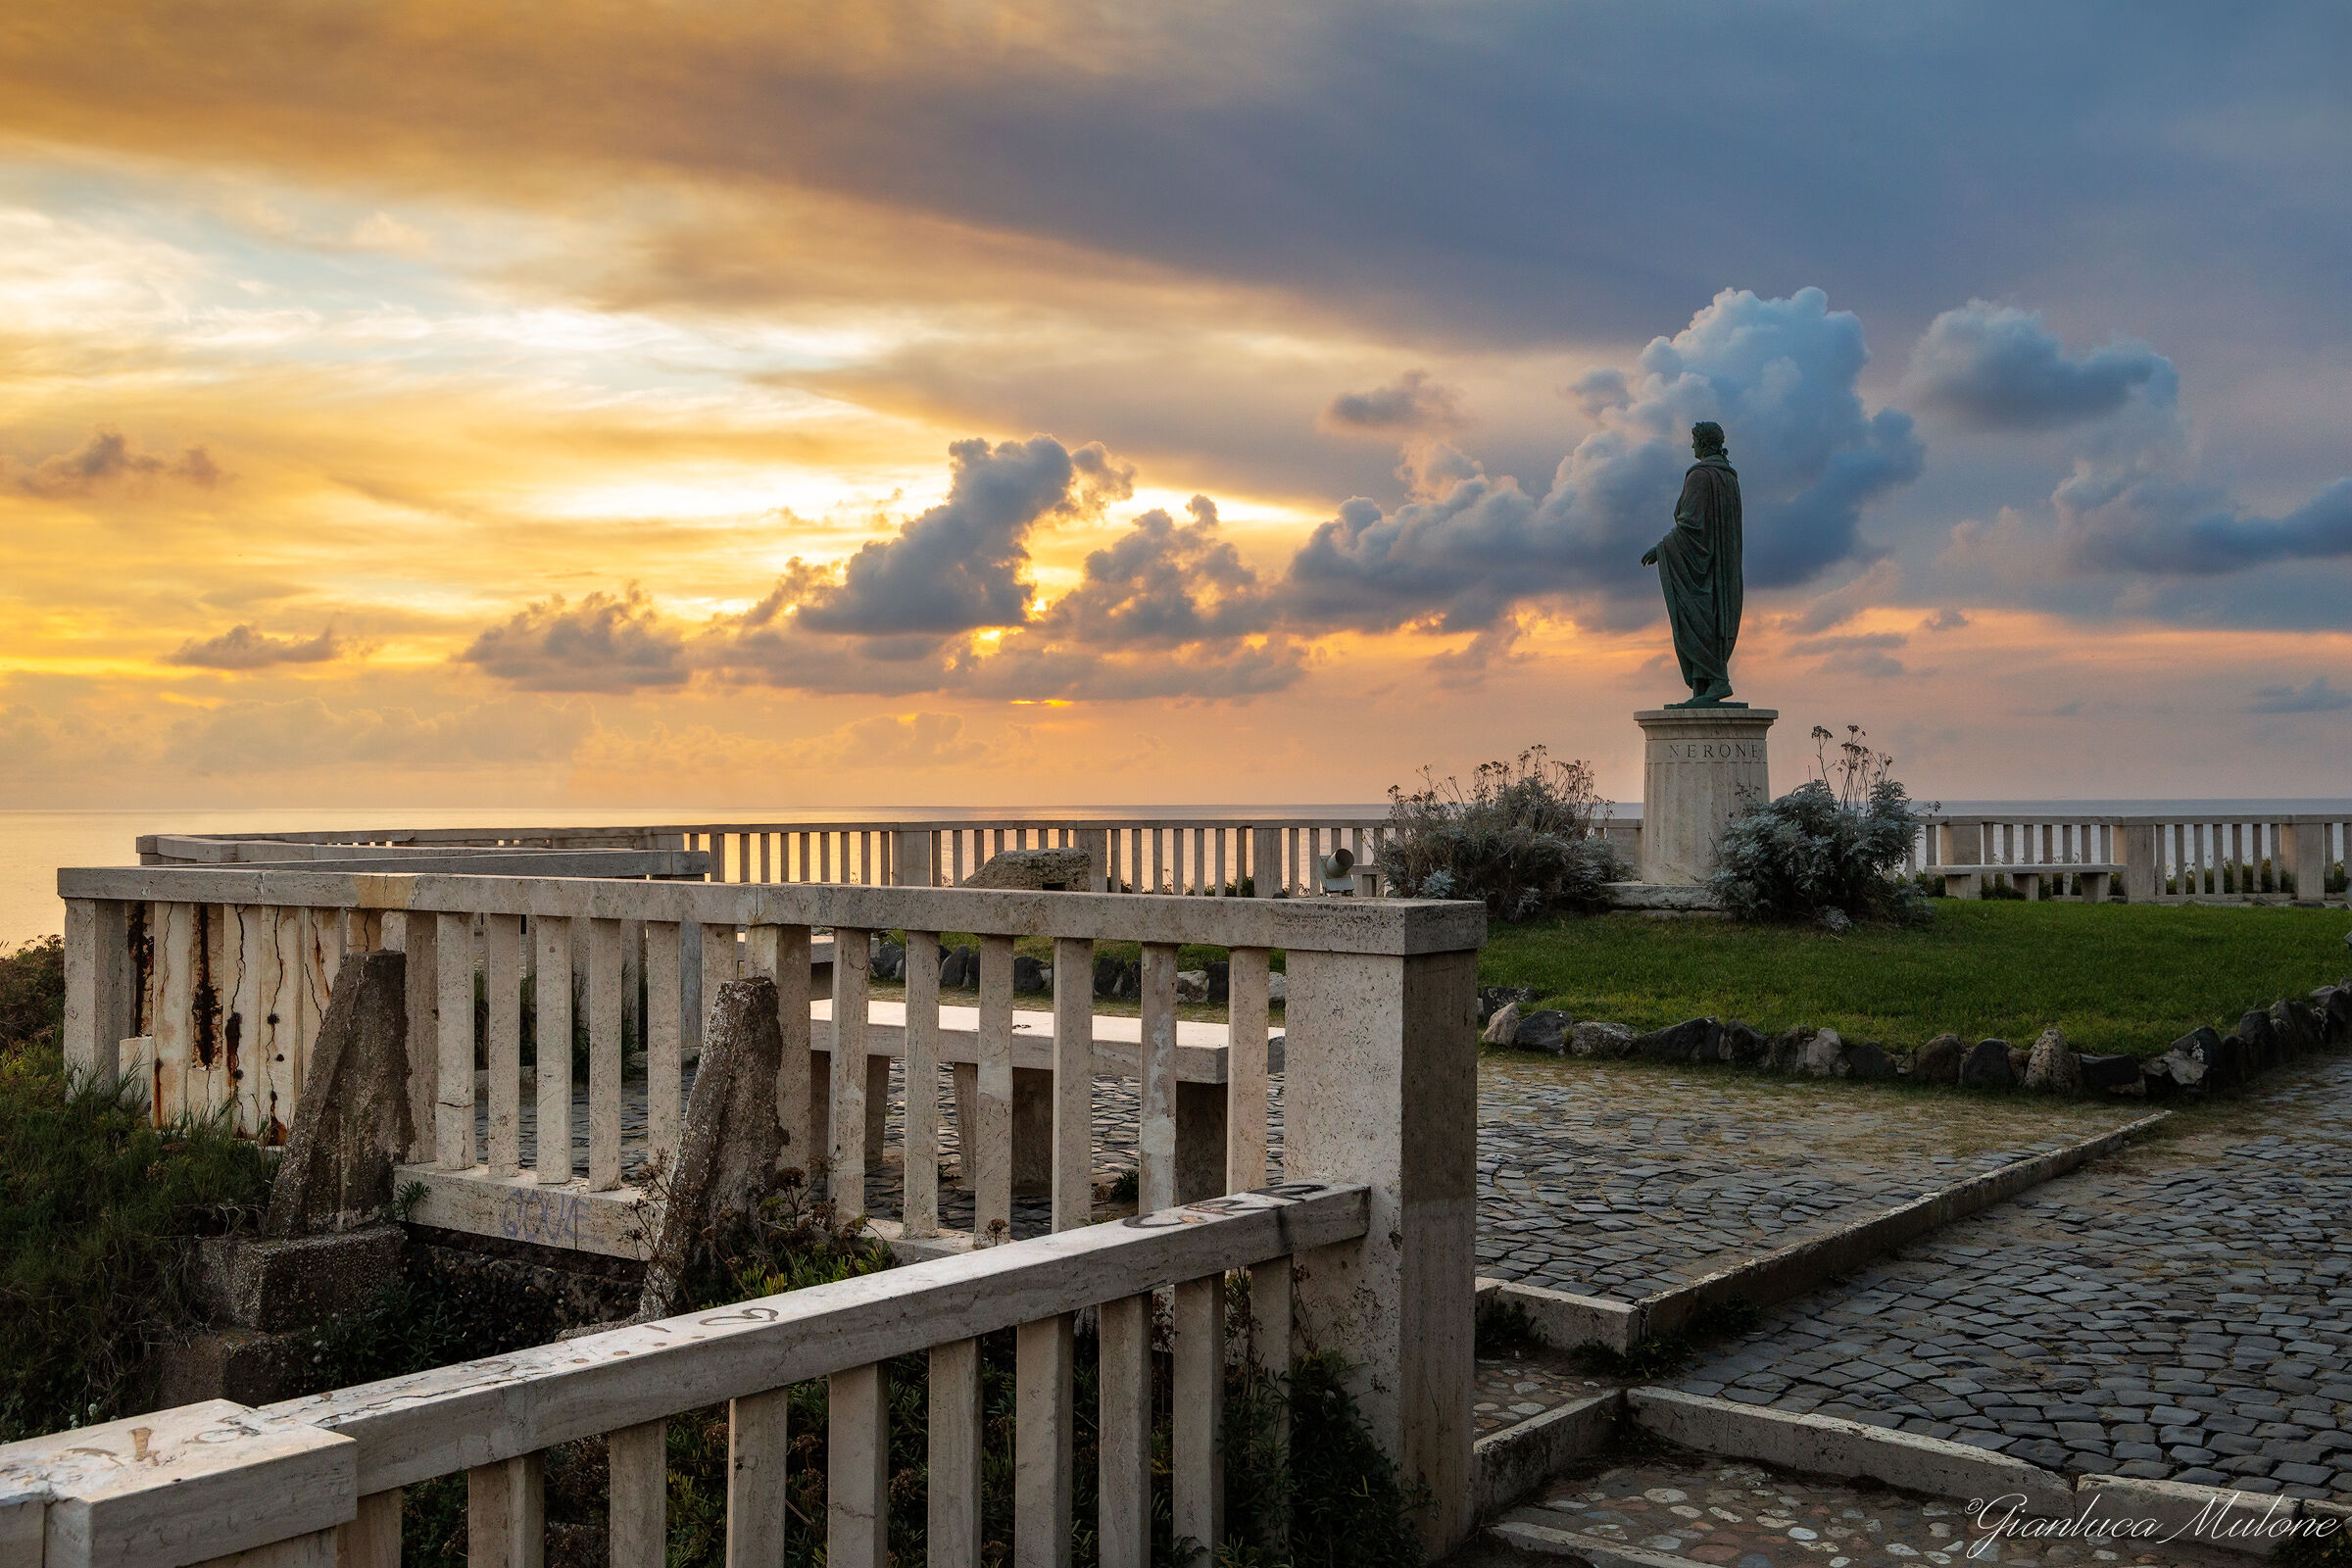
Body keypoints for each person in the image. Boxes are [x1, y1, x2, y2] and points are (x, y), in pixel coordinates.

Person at [1640, 421, 1744, 707]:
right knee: (1710, 620)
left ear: (1704, 443)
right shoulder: (1729, 478)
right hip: (1722, 568)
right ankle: (1703, 687)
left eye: (1694, 440)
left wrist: (1661, 549)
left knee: (1697, 621)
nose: (1692, 446)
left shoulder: (1700, 476)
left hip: (1700, 569)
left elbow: (1691, 525)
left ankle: (1718, 680)